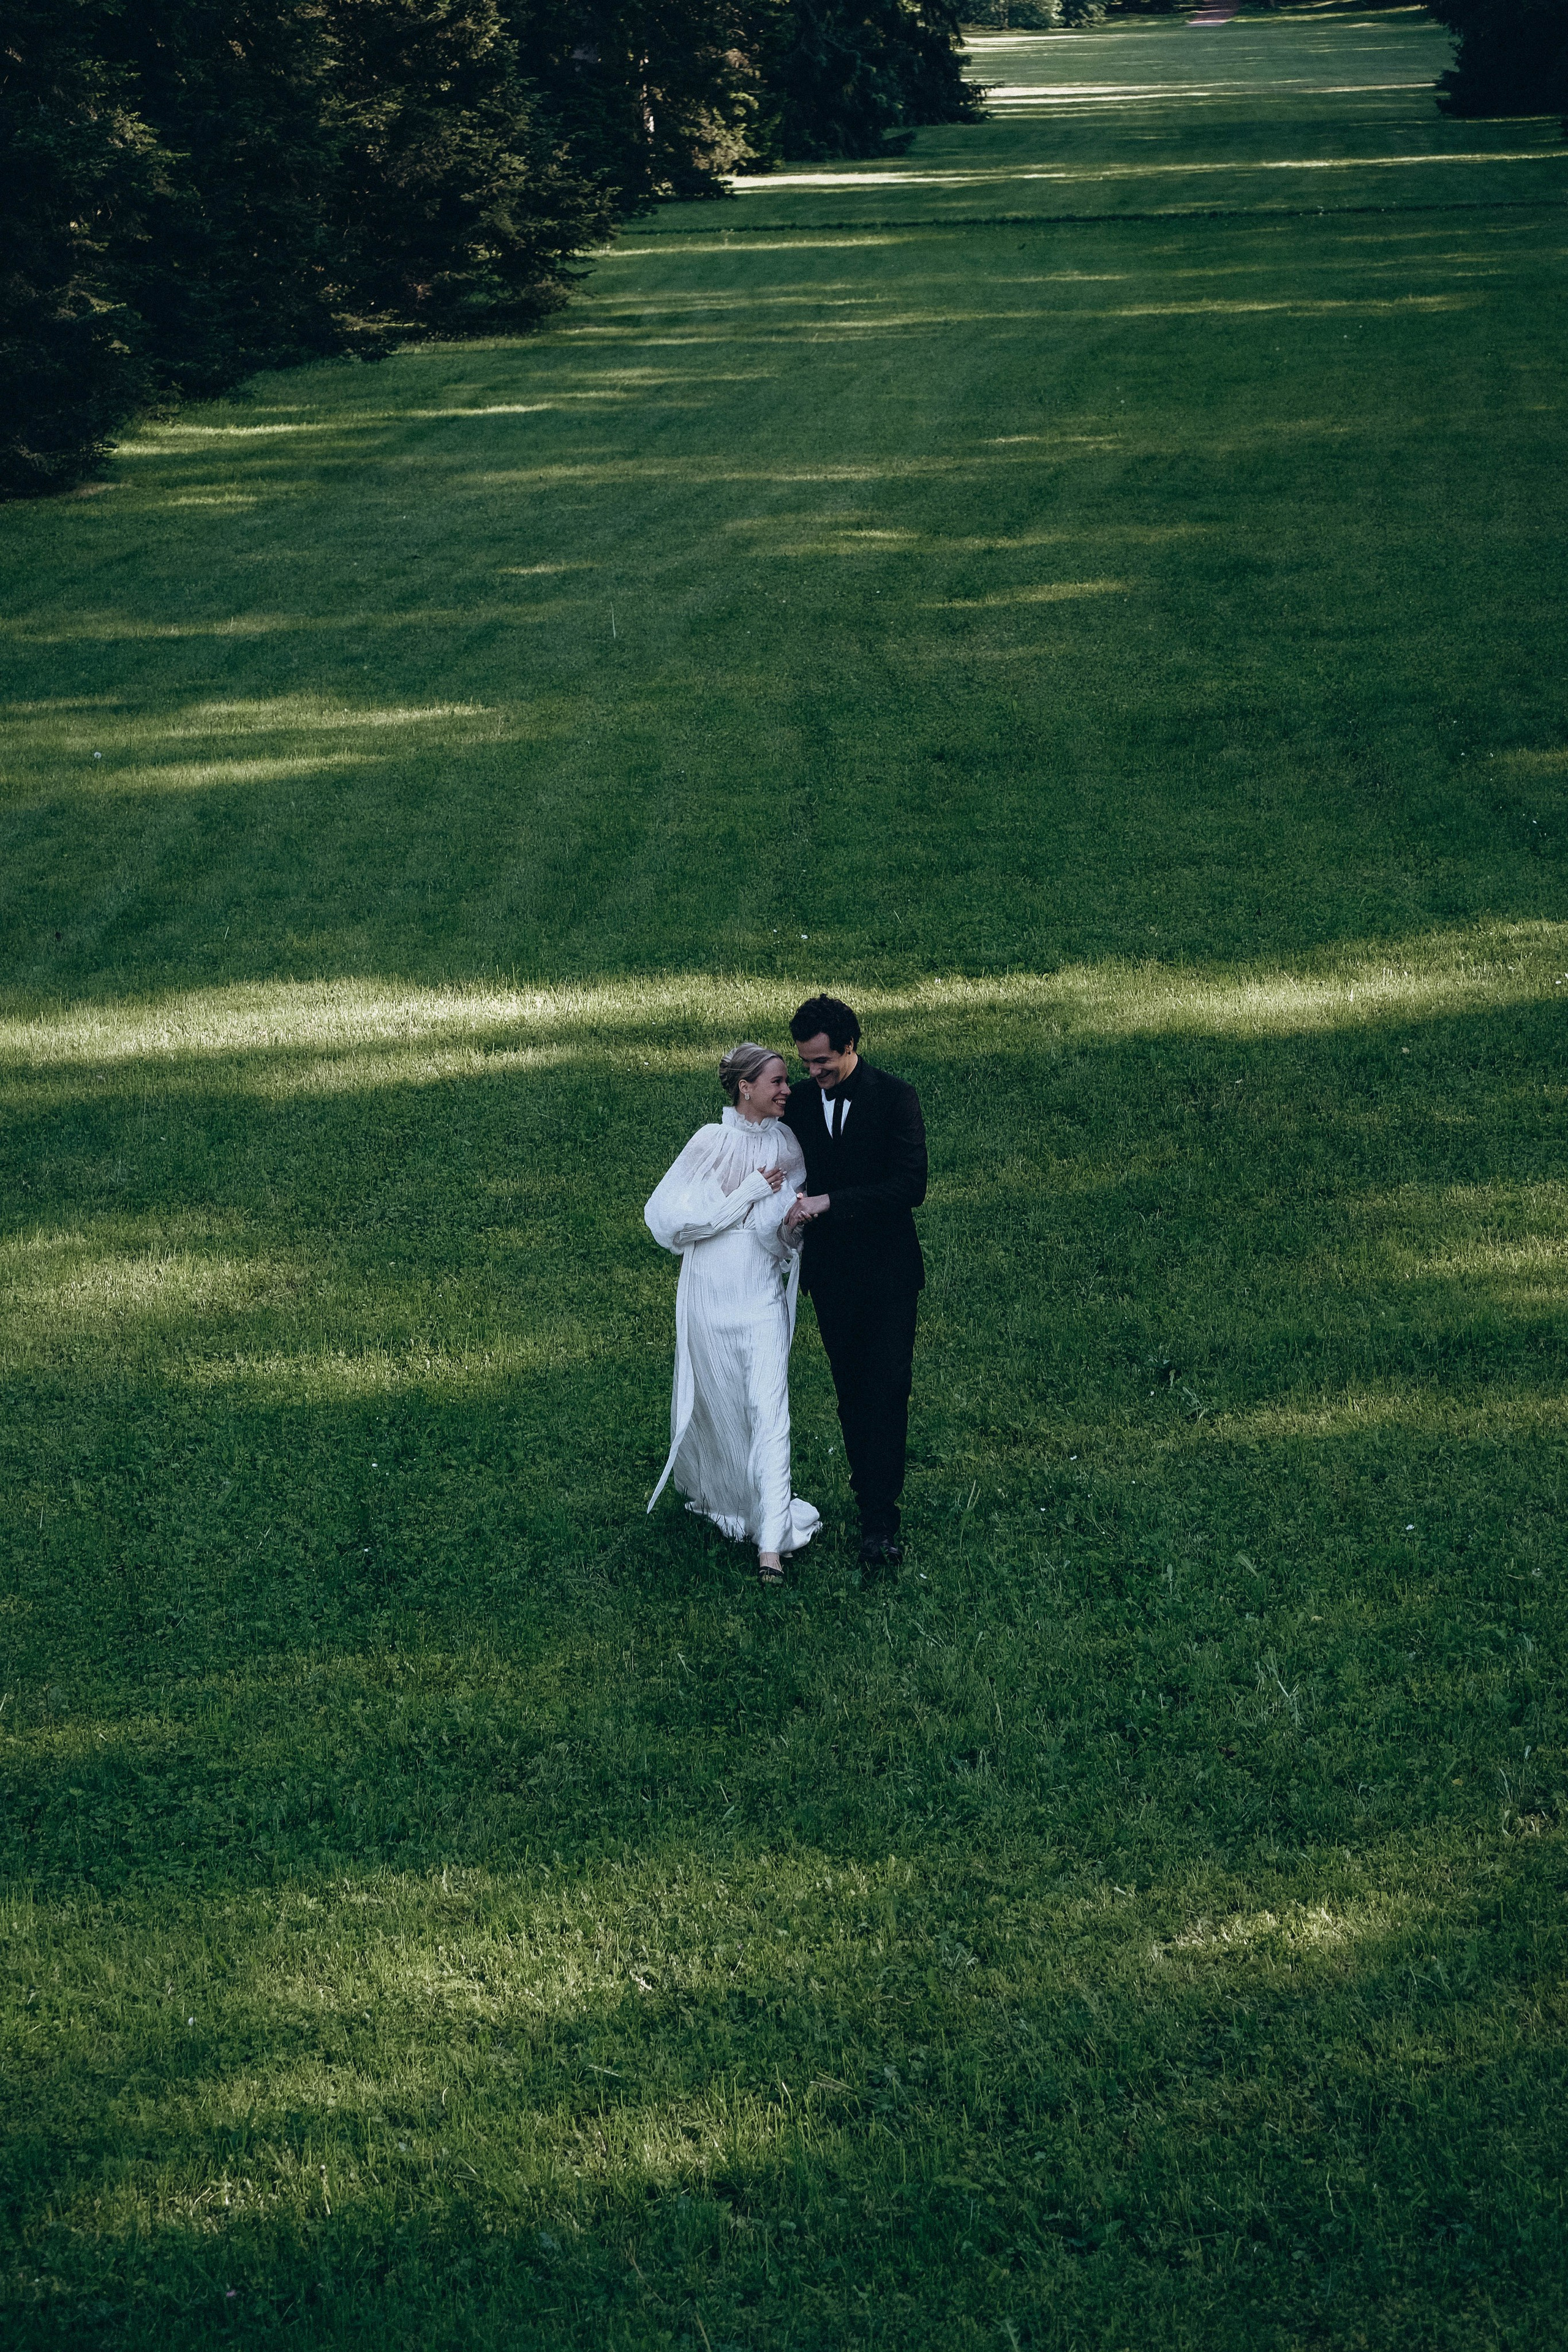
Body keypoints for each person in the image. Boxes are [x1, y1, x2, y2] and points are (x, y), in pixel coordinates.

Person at [644, 1043, 821, 1585]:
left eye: (787, 1080)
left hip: (761, 1294)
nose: (788, 1089)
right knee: (723, 1408)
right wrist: (743, 1194)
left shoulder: (787, 1144)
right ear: (746, 1088)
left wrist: (794, 1226)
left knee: (770, 1408)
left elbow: (780, 1237)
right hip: (710, 1295)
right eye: (777, 1081)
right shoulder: (709, 1142)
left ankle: (771, 1546)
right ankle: (734, 1500)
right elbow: (670, 1226)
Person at [782, 995, 927, 1574]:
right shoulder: (798, 1106)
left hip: (890, 1275)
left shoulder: (895, 1098)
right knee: (851, 1394)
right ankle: (869, 1499)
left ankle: (881, 1522)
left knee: (888, 1389)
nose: (812, 1075)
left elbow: (909, 1187)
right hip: (833, 1278)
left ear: (849, 1046)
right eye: (806, 1063)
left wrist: (831, 1202)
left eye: (822, 1063)